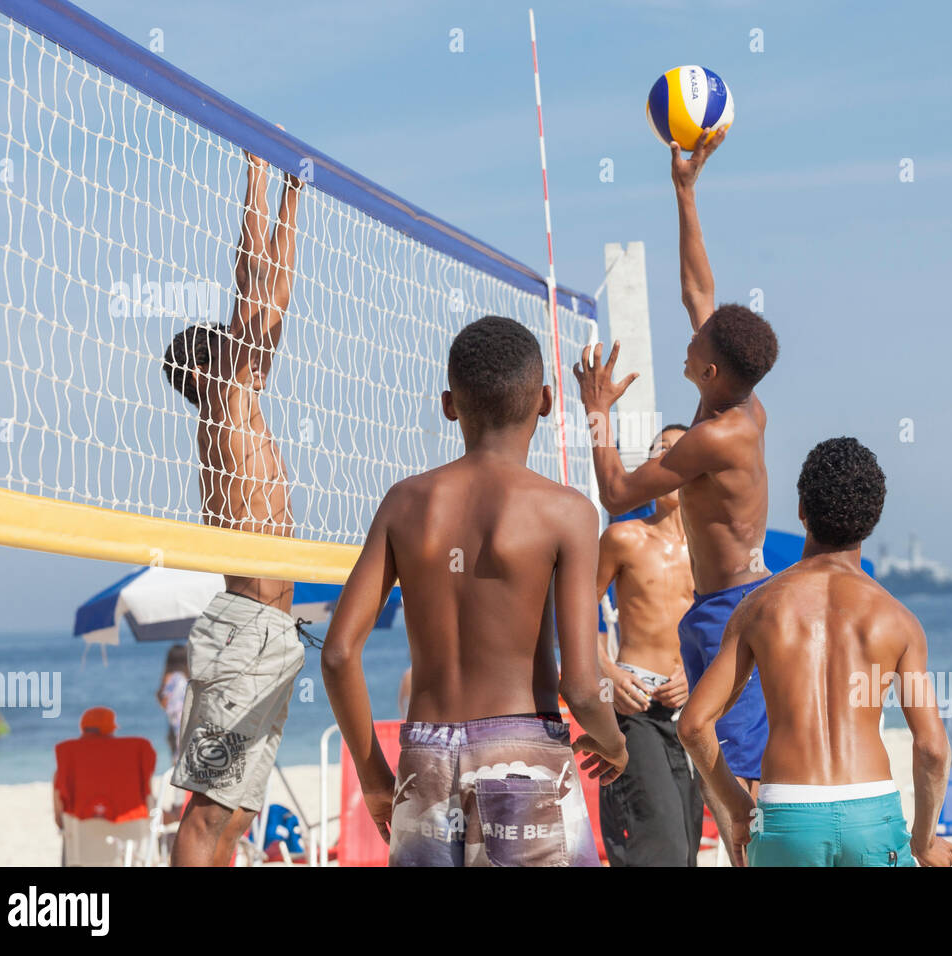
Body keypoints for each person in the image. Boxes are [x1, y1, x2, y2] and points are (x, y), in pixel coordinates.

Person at [322, 315, 627, 867]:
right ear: (547, 400)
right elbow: (580, 685)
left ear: (448, 404)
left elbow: (340, 653)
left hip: (424, 759)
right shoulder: (566, 511)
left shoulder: (404, 503)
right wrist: (612, 741)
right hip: (523, 755)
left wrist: (374, 776)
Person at [573, 126, 777, 857]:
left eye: (697, 348)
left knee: (742, 795)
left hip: (732, 609)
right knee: (717, 789)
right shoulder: (735, 403)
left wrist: (596, 410)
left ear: (713, 371)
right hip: (721, 609)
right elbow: (700, 292)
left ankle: (745, 832)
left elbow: (617, 486)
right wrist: (685, 193)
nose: (689, 342)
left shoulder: (714, 438)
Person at [679, 438, 952, 867]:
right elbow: (933, 748)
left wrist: (737, 808)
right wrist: (923, 841)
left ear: (802, 509)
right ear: (873, 520)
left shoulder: (758, 608)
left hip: (787, 815)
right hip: (872, 813)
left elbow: (695, 725)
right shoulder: (898, 620)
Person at [161, 148, 306, 867]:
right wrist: (261, 178)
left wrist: (293, 195)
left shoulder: (242, 401)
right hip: (249, 627)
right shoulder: (224, 400)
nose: (244, 336)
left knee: (237, 817)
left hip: (272, 631)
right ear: (207, 365)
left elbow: (267, 297)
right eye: (229, 338)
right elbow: (257, 291)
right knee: (209, 811)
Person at [596, 424, 703, 867]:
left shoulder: (711, 551)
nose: (669, 460)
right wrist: (607, 672)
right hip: (635, 703)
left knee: (689, 841)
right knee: (662, 847)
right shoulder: (624, 538)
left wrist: (696, 680)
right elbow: (576, 616)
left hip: (692, 713)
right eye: (660, 452)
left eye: (681, 452)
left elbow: (727, 634)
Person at [54, 707, 157, 830]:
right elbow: (148, 795)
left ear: (83, 728)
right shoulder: (136, 752)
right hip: (130, 835)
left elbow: (59, 818)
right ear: (111, 730)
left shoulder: (69, 758)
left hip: (81, 840)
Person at [156, 644, 189, 761]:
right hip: (185, 727)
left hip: (174, 726)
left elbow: (165, 703)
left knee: (177, 764)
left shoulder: (169, 677)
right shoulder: (184, 678)